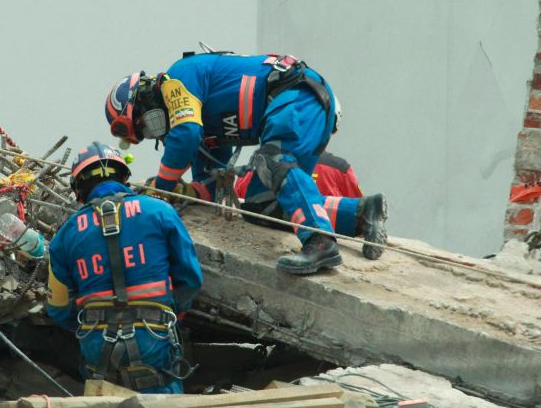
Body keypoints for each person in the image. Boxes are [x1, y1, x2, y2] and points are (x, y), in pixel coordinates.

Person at [105, 51, 355, 274]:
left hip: (297, 93)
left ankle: (319, 241)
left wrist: (161, 189)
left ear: (147, 99)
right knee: (262, 207)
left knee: (274, 162)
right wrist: (185, 191)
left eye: (148, 125)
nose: (154, 133)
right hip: (304, 104)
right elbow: (211, 185)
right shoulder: (206, 128)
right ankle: (360, 214)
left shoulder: (177, 78)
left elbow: (186, 134)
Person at [46, 142, 203, 393]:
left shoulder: (65, 235)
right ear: (123, 176)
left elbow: (57, 308)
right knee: (164, 406)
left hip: (96, 342)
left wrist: (89, 325)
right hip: (155, 335)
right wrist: (177, 312)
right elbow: (191, 278)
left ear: (78, 189)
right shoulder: (160, 211)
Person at [235, 151, 388, 260]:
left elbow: (239, 196)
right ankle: (361, 215)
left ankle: (362, 214)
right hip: (331, 226)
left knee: (257, 208)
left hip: (306, 227)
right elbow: (355, 196)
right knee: (258, 209)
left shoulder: (264, 168)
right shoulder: (339, 167)